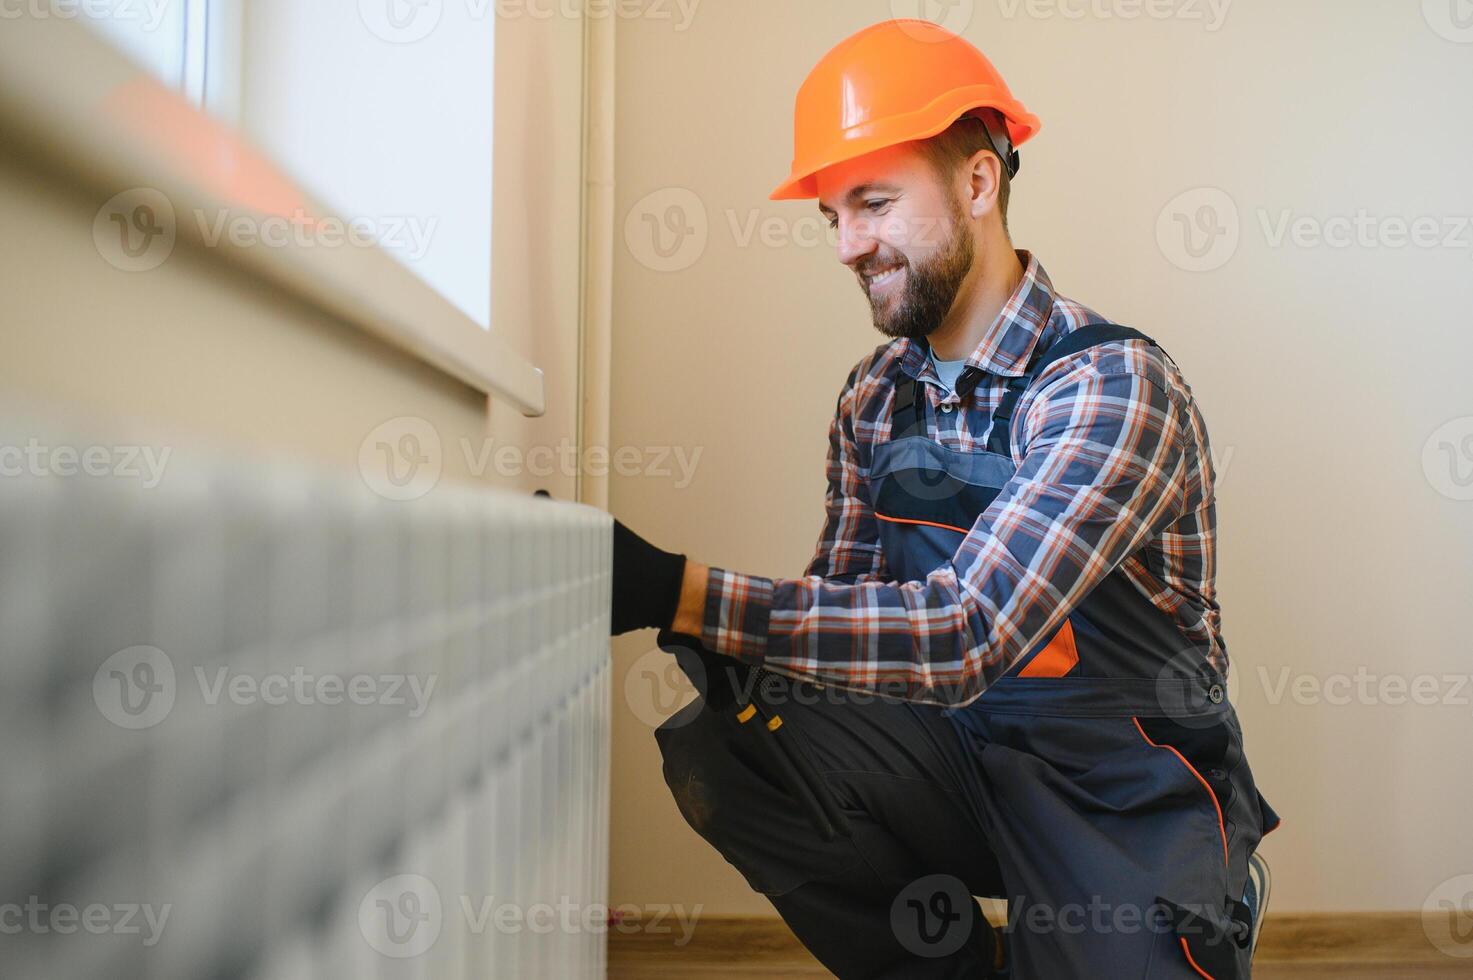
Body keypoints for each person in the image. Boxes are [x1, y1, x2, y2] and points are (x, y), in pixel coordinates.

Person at [610, 19, 1279, 978]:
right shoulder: (874, 397)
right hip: (959, 760)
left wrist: (675, 588)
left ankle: (1181, 906)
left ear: (976, 182)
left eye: (873, 203)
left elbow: (967, 629)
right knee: (739, 740)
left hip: (1121, 789)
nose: (846, 244)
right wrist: (712, 641)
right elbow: (840, 618)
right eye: (830, 216)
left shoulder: (1107, 386)